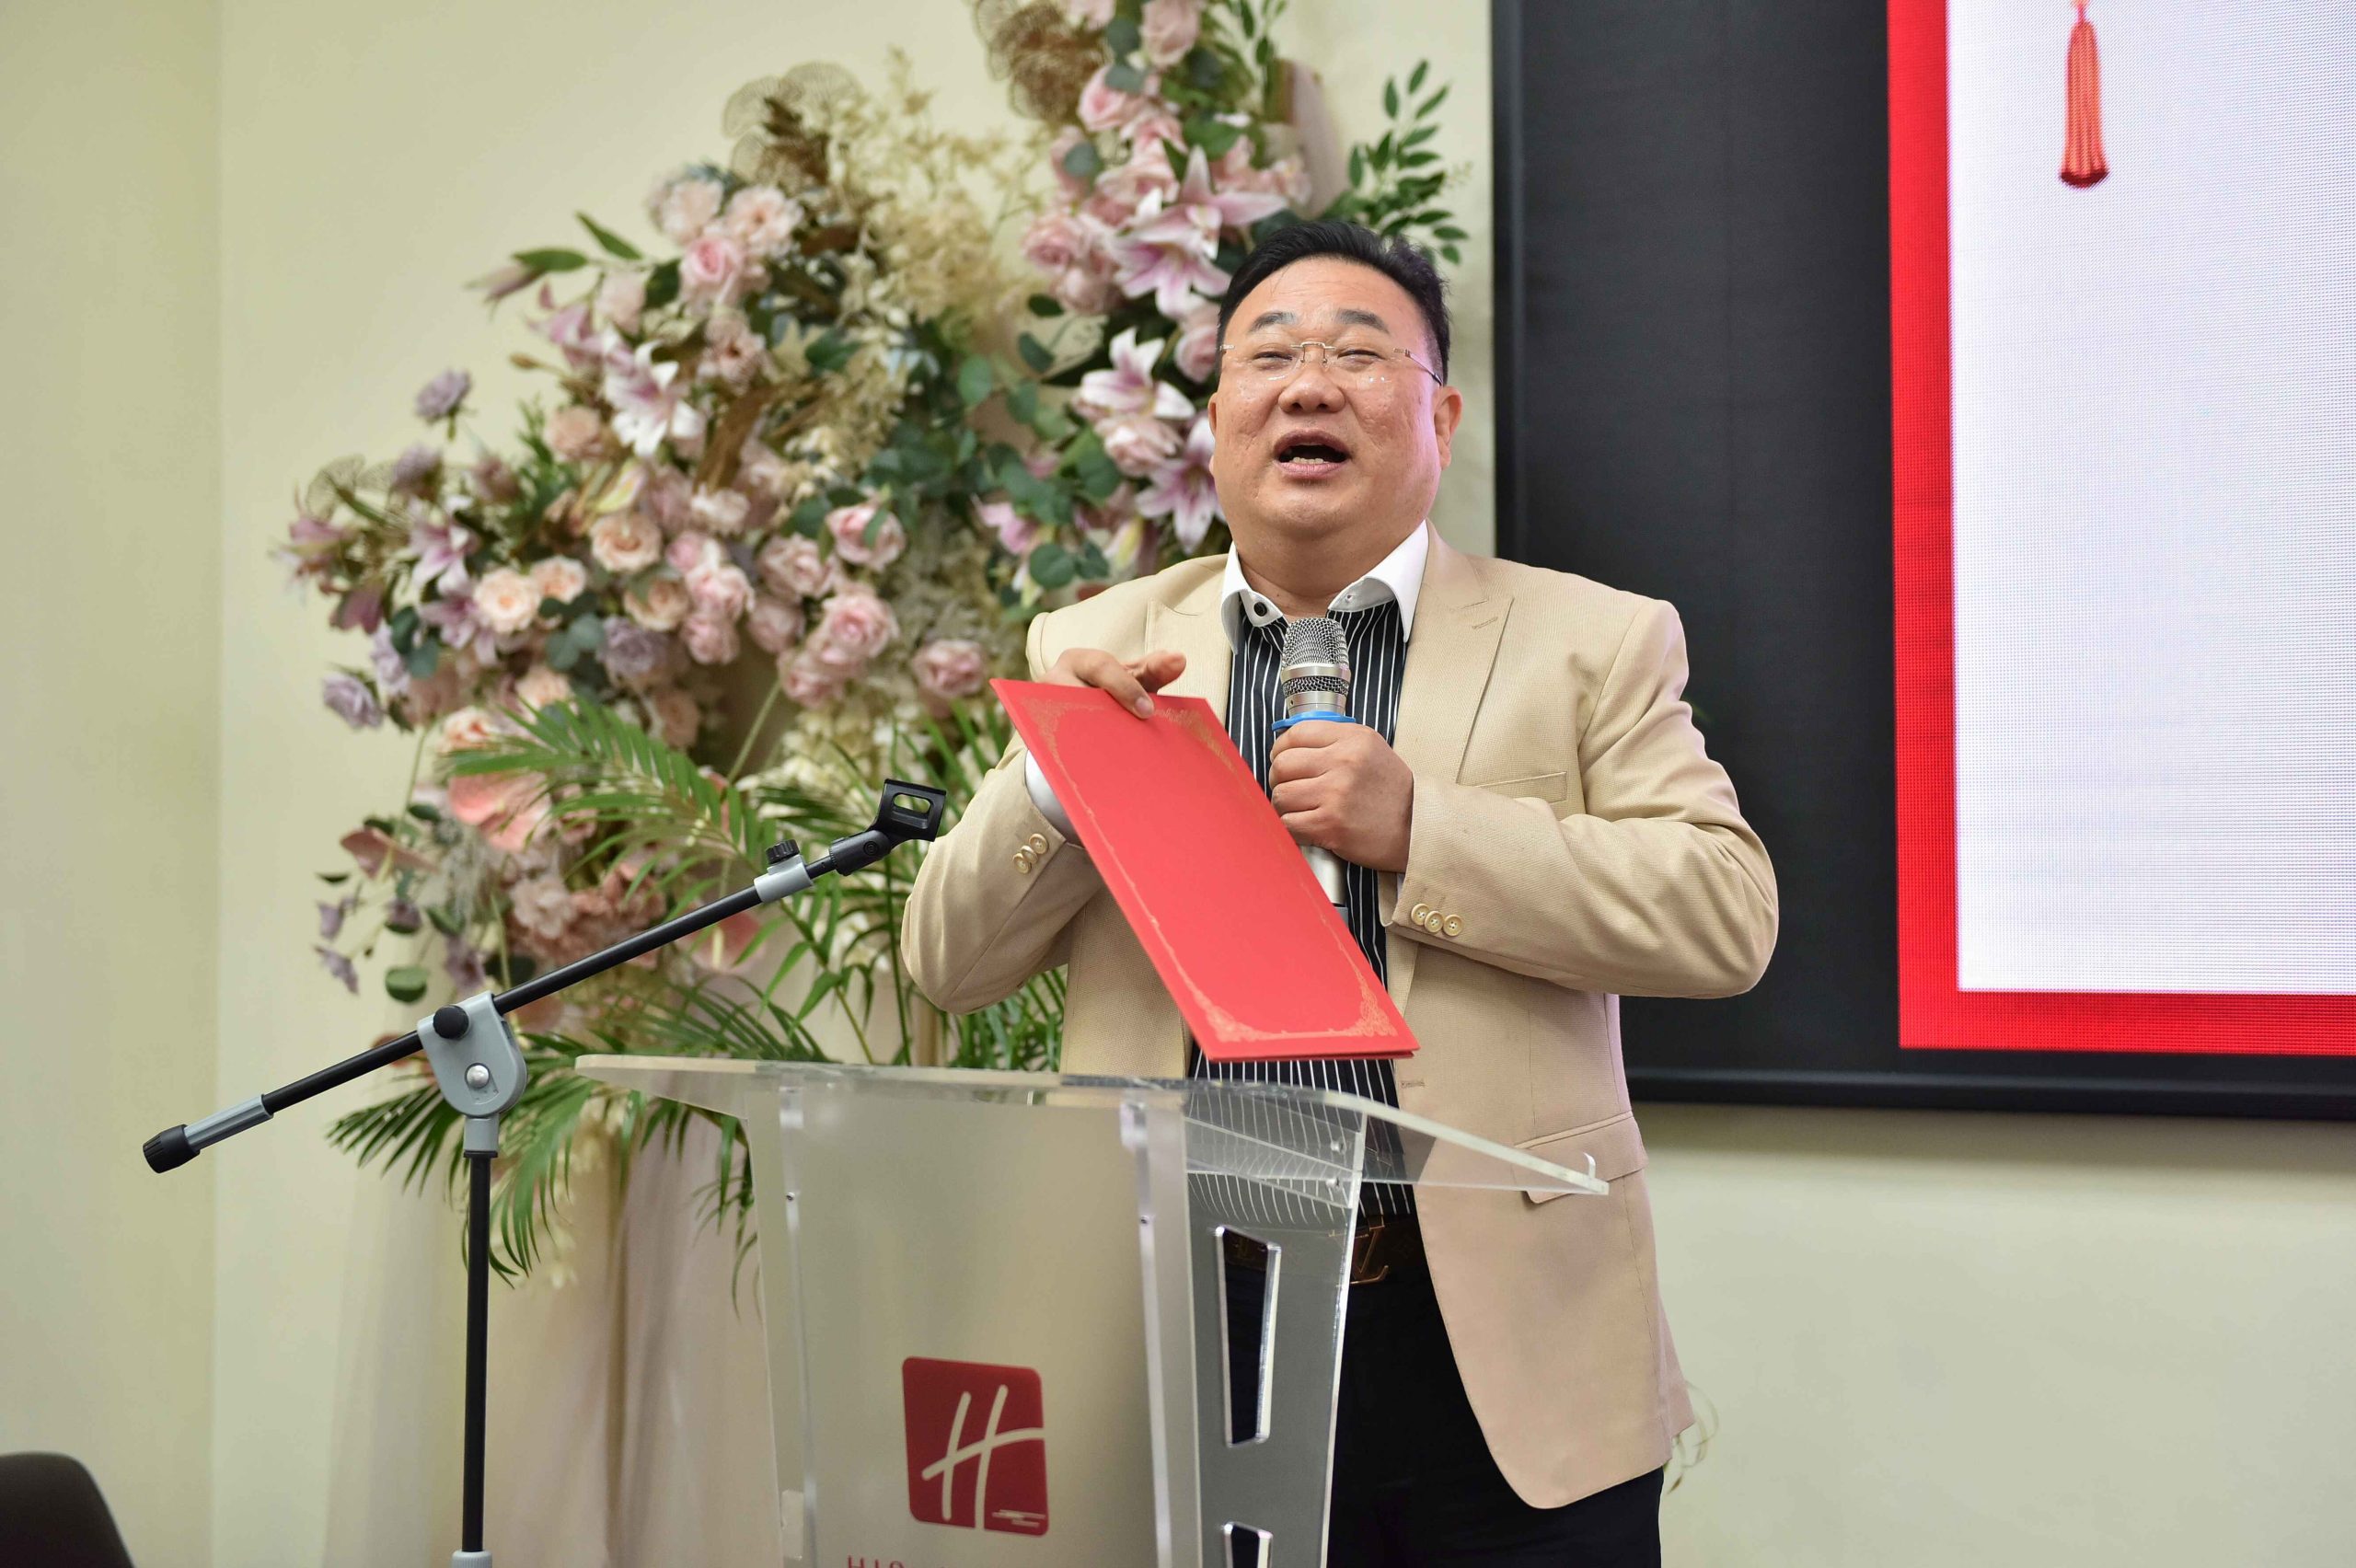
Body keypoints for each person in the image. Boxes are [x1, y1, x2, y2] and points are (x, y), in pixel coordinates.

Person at [902, 220, 1777, 1565]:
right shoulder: (1101, 646)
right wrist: (1057, 783)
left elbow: (1725, 911)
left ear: (1441, 417)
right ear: (1216, 423)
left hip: (1490, 1336)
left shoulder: (1590, 640)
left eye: (1360, 355)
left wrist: (1425, 829)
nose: (1309, 384)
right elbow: (948, 964)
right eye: (1269, 356)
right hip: (1192, 1316)